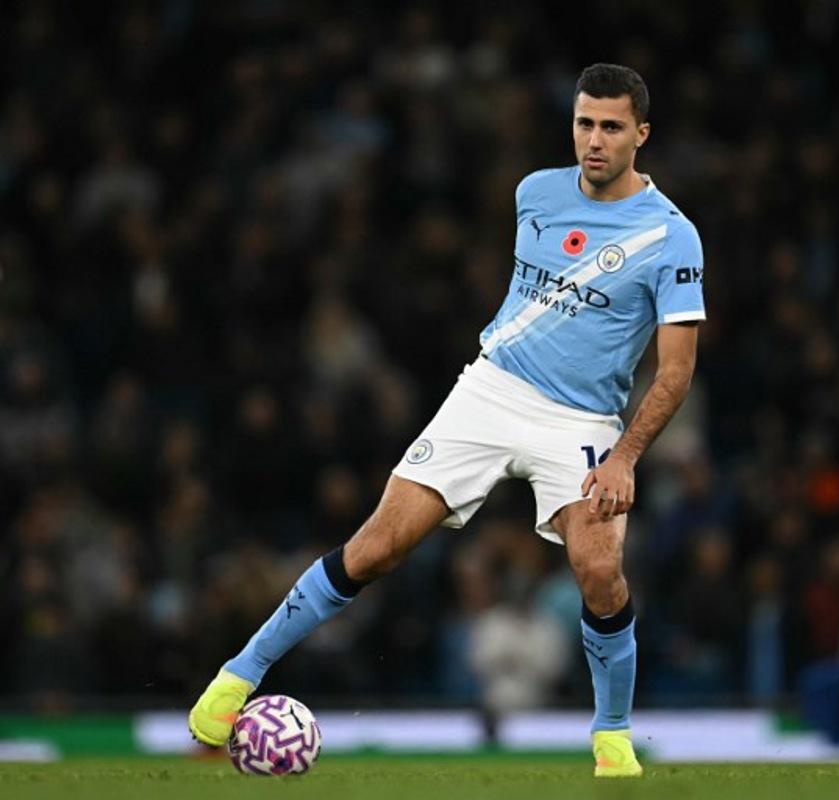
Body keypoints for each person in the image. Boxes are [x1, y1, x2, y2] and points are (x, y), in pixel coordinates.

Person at [187, 63, 705, 779]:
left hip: (583, 419)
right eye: (584, 123)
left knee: (599, 569)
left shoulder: (672, 237)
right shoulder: (535, 192)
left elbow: (675, 371)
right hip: (492, 390)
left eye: (611, 127)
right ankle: (236, 677)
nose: (594, 139)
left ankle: (612, 736)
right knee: (376, 548)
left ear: (641, 134)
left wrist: (625, 457)